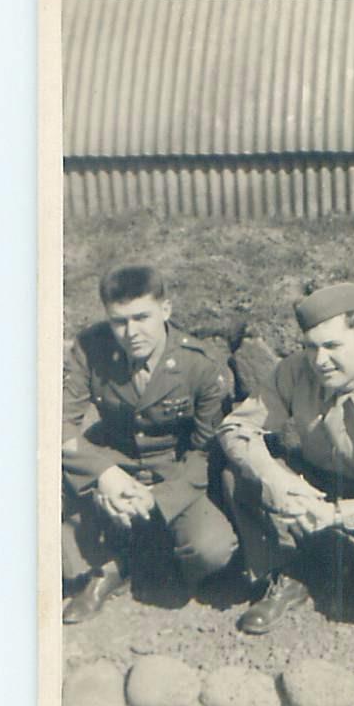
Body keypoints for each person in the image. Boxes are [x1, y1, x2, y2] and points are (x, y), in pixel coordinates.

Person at [217, 282, 354, 635]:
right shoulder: (295, 370)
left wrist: (335, 514)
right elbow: (237, 430)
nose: (319, 361)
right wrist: (277, 481)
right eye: (310, 347)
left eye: (332, 346)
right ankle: (288, 571)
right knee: (239, 477)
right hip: (312, 482)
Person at [61, 264, 237, 623]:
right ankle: (106, 569)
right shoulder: (90, 348)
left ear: (166, 310)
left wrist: (159, 499)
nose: (131, 332)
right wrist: (103, 474)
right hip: (113, 459)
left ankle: (150, 558)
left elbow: (205, 451)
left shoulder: (197, 364)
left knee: (212, 549)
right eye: (119, 321)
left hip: (172, 472)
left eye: (142, 317)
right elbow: (56, 420)